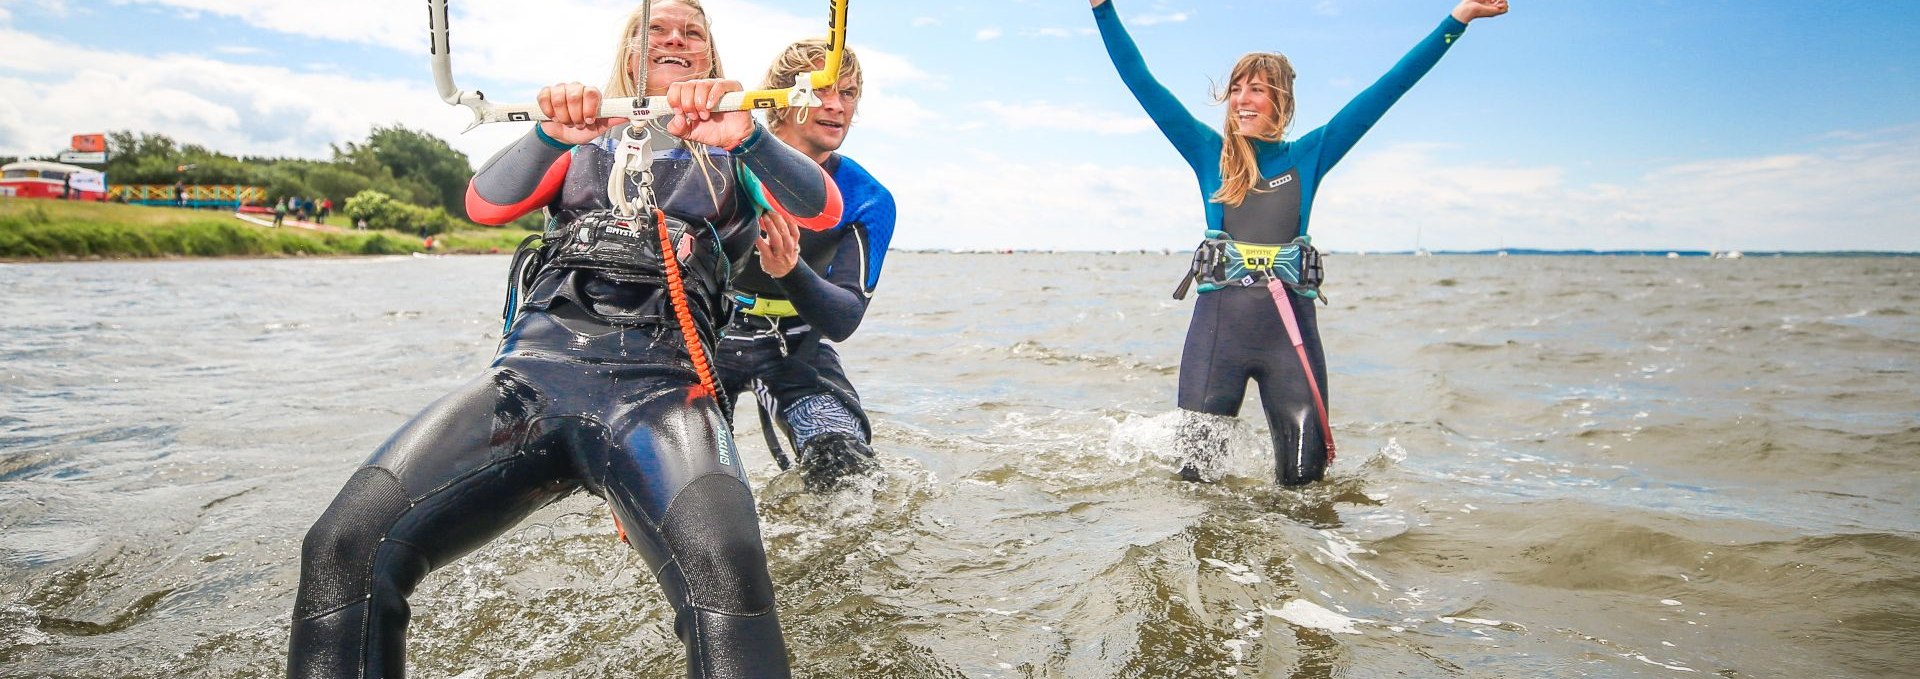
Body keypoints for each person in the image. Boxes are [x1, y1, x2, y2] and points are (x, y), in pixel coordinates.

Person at [285, 1, 841, 677]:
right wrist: (552, 134)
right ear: (627, 50)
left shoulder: (736, 143)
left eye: (691, 32)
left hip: (665, 396)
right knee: (343, 544)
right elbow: (484, 204)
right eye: (653, 27)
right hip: (531, 383)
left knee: (728, 566)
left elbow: (821, 207)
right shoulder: (581, 139)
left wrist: (746, 134)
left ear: (710, 57)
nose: (672, 37)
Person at [1088, 0, 1509, 485]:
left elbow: (1389, 87)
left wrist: (1458, 19)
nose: (1243, 100)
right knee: (1197, 487)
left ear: (1281, 101)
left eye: (1257, 90)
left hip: (1289, 338)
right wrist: (1102, 7)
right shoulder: (1209, 152)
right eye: (1237, 90)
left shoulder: (1310, 154)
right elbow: (1141, 82)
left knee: (1306, 487)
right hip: (1216, 336)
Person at [717, 39, 895, 491]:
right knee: (687, 476)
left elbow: (843, 318)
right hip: (710, 331)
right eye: (820, 90)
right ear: (780, 100)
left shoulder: (867, 196)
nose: (836, 106)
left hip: (795, 343)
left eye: (849, 93)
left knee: (847, 478)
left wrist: (790, 270)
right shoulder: (719, 166)